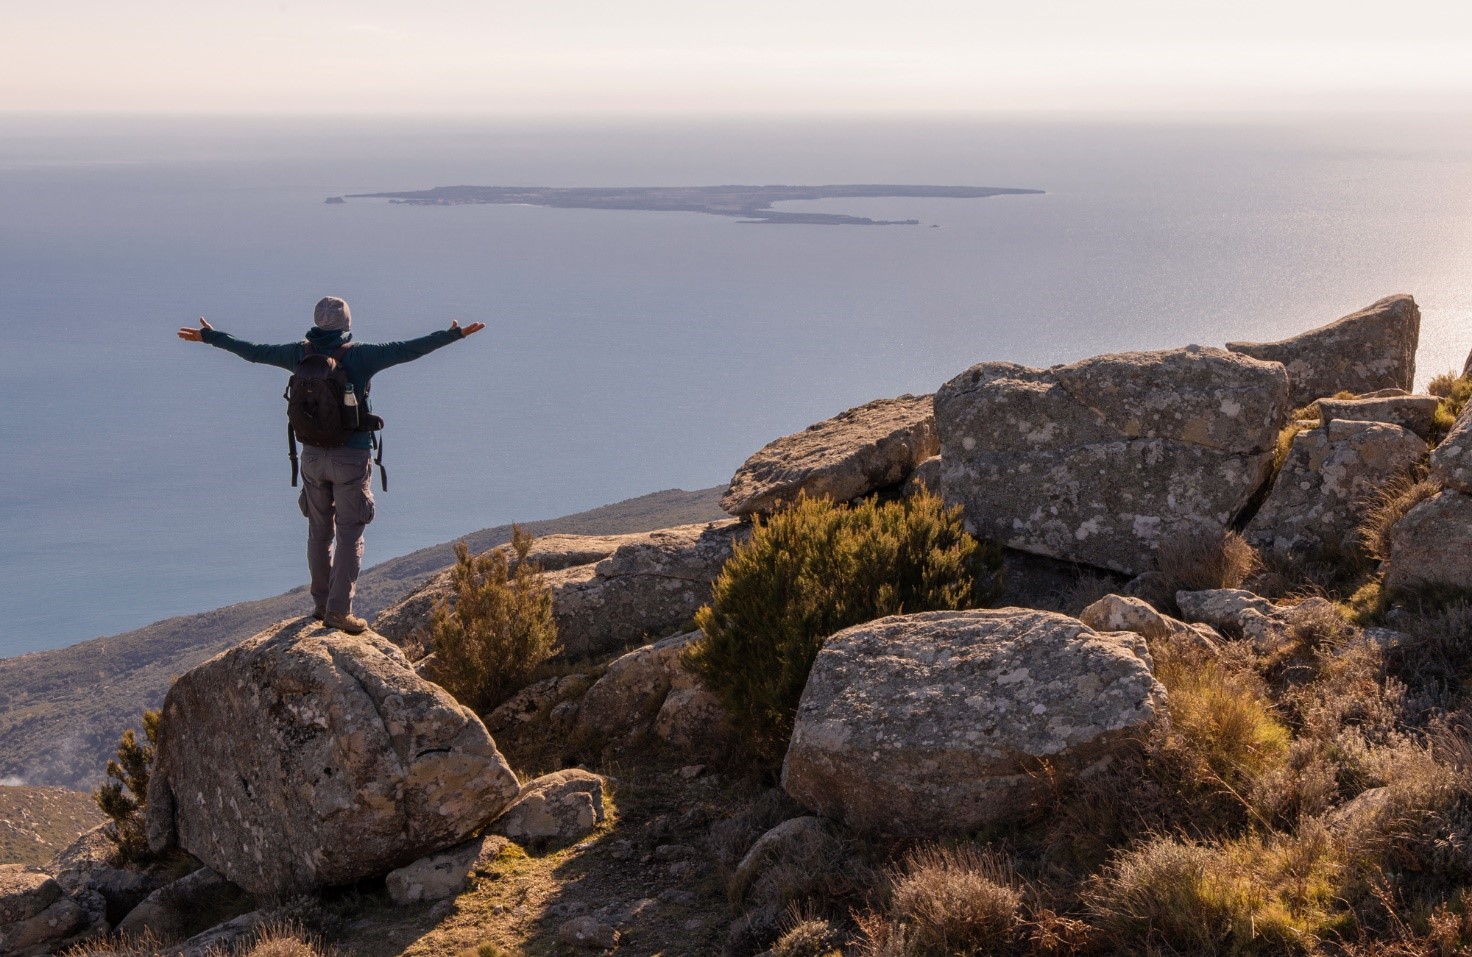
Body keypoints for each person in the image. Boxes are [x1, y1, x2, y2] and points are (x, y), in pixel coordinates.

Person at [178, 296, 484, 634]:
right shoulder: (361, 355)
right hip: (350, 456)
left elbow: (253, 351)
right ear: (346, 325)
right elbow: (408, 349)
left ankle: (321, 605)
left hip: (310, 456)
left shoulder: (298, 353)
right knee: (350, 534)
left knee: (318, 533)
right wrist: (452, 336)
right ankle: (339, 612)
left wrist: (211, 337)